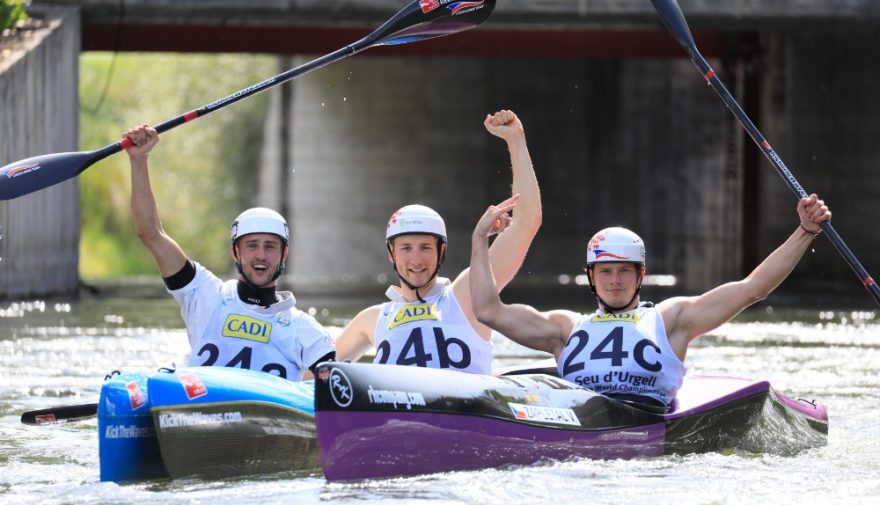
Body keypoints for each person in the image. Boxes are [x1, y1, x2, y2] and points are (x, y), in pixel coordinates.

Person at [470, 193, 832, 411]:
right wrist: (480, 239)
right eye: (605, 271)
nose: (614, 280)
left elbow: (753, 288)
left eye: (624, 271)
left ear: (640, 275)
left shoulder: (671, 319)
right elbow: (487, 310)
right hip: (578, 423)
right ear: (590, 277)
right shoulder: (564, 329)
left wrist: (805, 232)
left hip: (646, 424)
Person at [334, 109, 542, 374]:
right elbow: (310, 377)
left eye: (425, 248)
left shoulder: (466, 295)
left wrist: (516, 140)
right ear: (391, 254)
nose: (416, 260)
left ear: (441, 251)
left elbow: (526, 223)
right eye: (406, 249)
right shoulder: (372, 319)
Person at [123, 125, 334, 381]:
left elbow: (337, 390)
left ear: (284, 253)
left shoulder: (303, 328)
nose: (260, 255)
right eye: (252, 245)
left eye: (270, 246)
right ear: (235, 252)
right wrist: (139, 160)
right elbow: (152, 234)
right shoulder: (206, 295)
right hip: (198, 409)